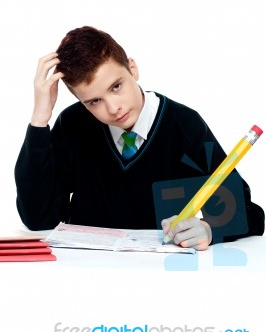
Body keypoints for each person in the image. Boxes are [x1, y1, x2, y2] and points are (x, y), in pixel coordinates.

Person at [14, 26, 264, 250]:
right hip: (87, 271)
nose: (113, 108)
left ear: (132, 68)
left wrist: (211, 229)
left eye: (116, 86)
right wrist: (39, 120)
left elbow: (250, 214)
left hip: (160, 275)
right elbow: (38, 218)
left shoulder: (184, 126)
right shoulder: (73, 125)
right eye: (94, 101)